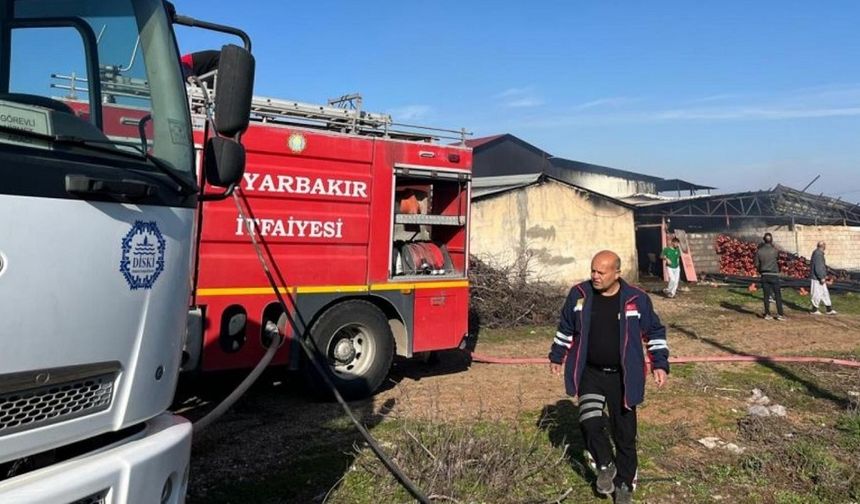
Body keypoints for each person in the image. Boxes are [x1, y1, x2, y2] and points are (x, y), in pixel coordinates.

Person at [549, 250, 669, 504]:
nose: (595, 276)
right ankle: (605, 464)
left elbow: (654, 331)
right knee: (589, 420)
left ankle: (624, 483)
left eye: (601, 272)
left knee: (624, 434)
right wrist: (557, 355)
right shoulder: (579, 295)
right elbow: (566, 327)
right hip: (590, 372)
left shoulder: (636, 299)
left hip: (623, 377)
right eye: (593, 270)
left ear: (617, 273)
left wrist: (660, 363)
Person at [754, 233, 786, 321]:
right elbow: (778, 260)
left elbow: (756, 264)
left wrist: (760, 271)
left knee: (766, 296)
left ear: (763, 240)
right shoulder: (775, 251)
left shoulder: (759, 251)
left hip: (764, 275)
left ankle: (767, 314)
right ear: (771, 240)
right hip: (774, 275)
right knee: (778, 295)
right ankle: (780, 314)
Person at [810, 241, 837, 315]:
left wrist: (824, 276)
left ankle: (829, 309)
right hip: (817, 278)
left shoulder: (818, 253)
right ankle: (814, 309)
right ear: (823, 246)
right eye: (825, 245)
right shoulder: (818, 254)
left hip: (820, 277)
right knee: (816, 293)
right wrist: (821, 277)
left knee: (825, 293)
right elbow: (818, 267)